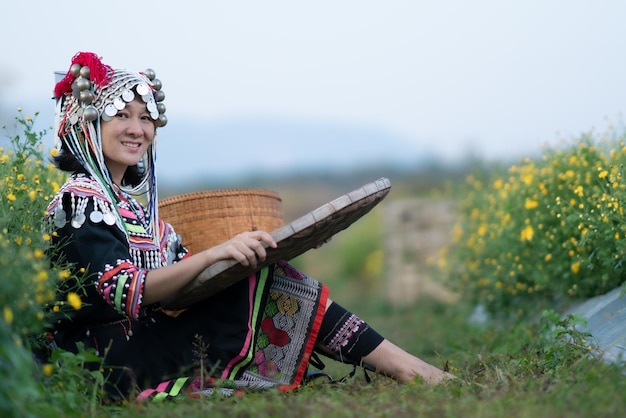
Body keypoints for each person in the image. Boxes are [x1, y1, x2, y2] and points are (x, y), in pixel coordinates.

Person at [42, 51, 454, 401]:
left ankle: (409, 368)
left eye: (147, 118)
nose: (138, 128)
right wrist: (218, 251)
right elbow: (127, 291)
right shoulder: (80, 199)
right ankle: (411, 370)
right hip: (101, 360)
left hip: (144, 341)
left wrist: (273, 251)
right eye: (122, 115)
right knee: (260, 283)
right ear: (86, 123)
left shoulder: (137, 210)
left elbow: (190, 286)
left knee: (265, 277)